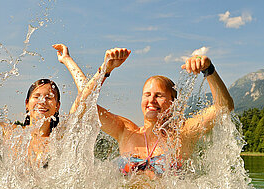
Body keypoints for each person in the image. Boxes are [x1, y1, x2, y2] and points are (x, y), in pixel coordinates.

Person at [55, 46, 234, 177]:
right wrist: (105, 70)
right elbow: (84, 105)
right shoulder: (126, 131)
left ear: (173, 102)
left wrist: (208, 70)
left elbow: (224, 107)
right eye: (147, 95)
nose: (151, 100)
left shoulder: (184, 132)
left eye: (159, 95)